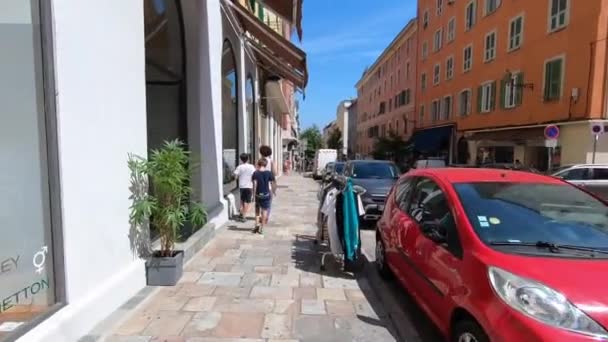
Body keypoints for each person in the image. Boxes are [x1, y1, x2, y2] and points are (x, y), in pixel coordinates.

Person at [252, 158, 276, 235]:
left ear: (258, 164)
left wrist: (254, 194)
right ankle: (262, 228)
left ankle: (256, 225)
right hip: (266, 194)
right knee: (264, 211)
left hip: (258, 195)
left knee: (257, 211)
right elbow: (272, 183)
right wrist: (273, 191)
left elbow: (255, 184)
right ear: (265, 164)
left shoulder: (255, 173)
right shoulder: (269, 173)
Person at [233, 153, 256, 222]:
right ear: (248, 159)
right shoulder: (251, 166)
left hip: (242, 186)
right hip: (249, 186)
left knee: (242, 200)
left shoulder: (239, 167)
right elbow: (254, 176)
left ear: (241, 159)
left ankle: (241, 213)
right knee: (247, 202)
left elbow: (235, 177)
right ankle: (244, 216)